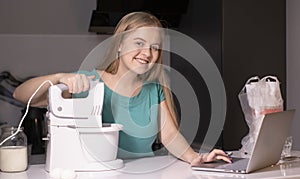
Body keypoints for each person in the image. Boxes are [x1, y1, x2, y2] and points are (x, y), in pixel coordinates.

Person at [13, 11, 231, 165]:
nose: (147, 52)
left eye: (155, 47)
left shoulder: (153, 88)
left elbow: (170, 136)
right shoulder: (88, 82)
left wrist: (196, 158)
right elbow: (21, 95)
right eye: (139, 43)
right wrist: (60, 77)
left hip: (146, 178)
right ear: (119, 45)